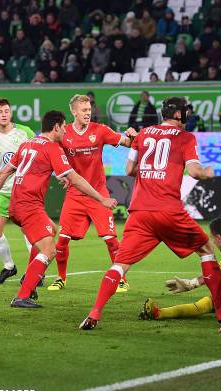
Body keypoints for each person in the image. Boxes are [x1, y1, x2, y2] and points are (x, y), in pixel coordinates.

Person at [79, 97, 221, 330]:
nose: (188, 115)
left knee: (120, 265)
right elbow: (194, 172)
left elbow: (129, 170)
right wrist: (207, 173)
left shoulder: (143, 134)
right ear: (178, 115)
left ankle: (94, 313)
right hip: (168, 210)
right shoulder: (187, 137)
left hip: (139, 212)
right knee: (207, 250)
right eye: (186, 111)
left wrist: (153, 168)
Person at [0, 110, 117, 308]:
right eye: (63, 128)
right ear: (56, 127)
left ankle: (31, 280)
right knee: (50, 250)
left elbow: (4, 172)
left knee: (52, 230)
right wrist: (101, 199)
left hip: (16, 204)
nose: (65, 132)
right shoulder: (53, 147)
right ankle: (23, 294)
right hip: (29, 206)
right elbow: (76, 179)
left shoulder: (27, 144)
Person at [51, 95, 136, 293]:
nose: (88, 113)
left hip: (99, 194)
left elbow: (127, 143)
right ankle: (60, 278)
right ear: (74, 112)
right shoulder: (64, 133)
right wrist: (59, 175)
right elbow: (54, 157)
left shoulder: (100, 130)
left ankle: (121, 278)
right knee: (62, 239)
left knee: (110, 239)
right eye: (83, 110)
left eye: (89, 110)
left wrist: (131, 137)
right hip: (74, 193)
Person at [0, 99, 35, 284]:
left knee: (29, 232)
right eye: (0, 111)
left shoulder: (25, 132)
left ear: (10, 113)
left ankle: (36, 272)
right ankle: (9, 267)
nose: (4, 114)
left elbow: (40, 152)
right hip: (3, 192)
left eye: (6, 111)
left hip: (24, 191)